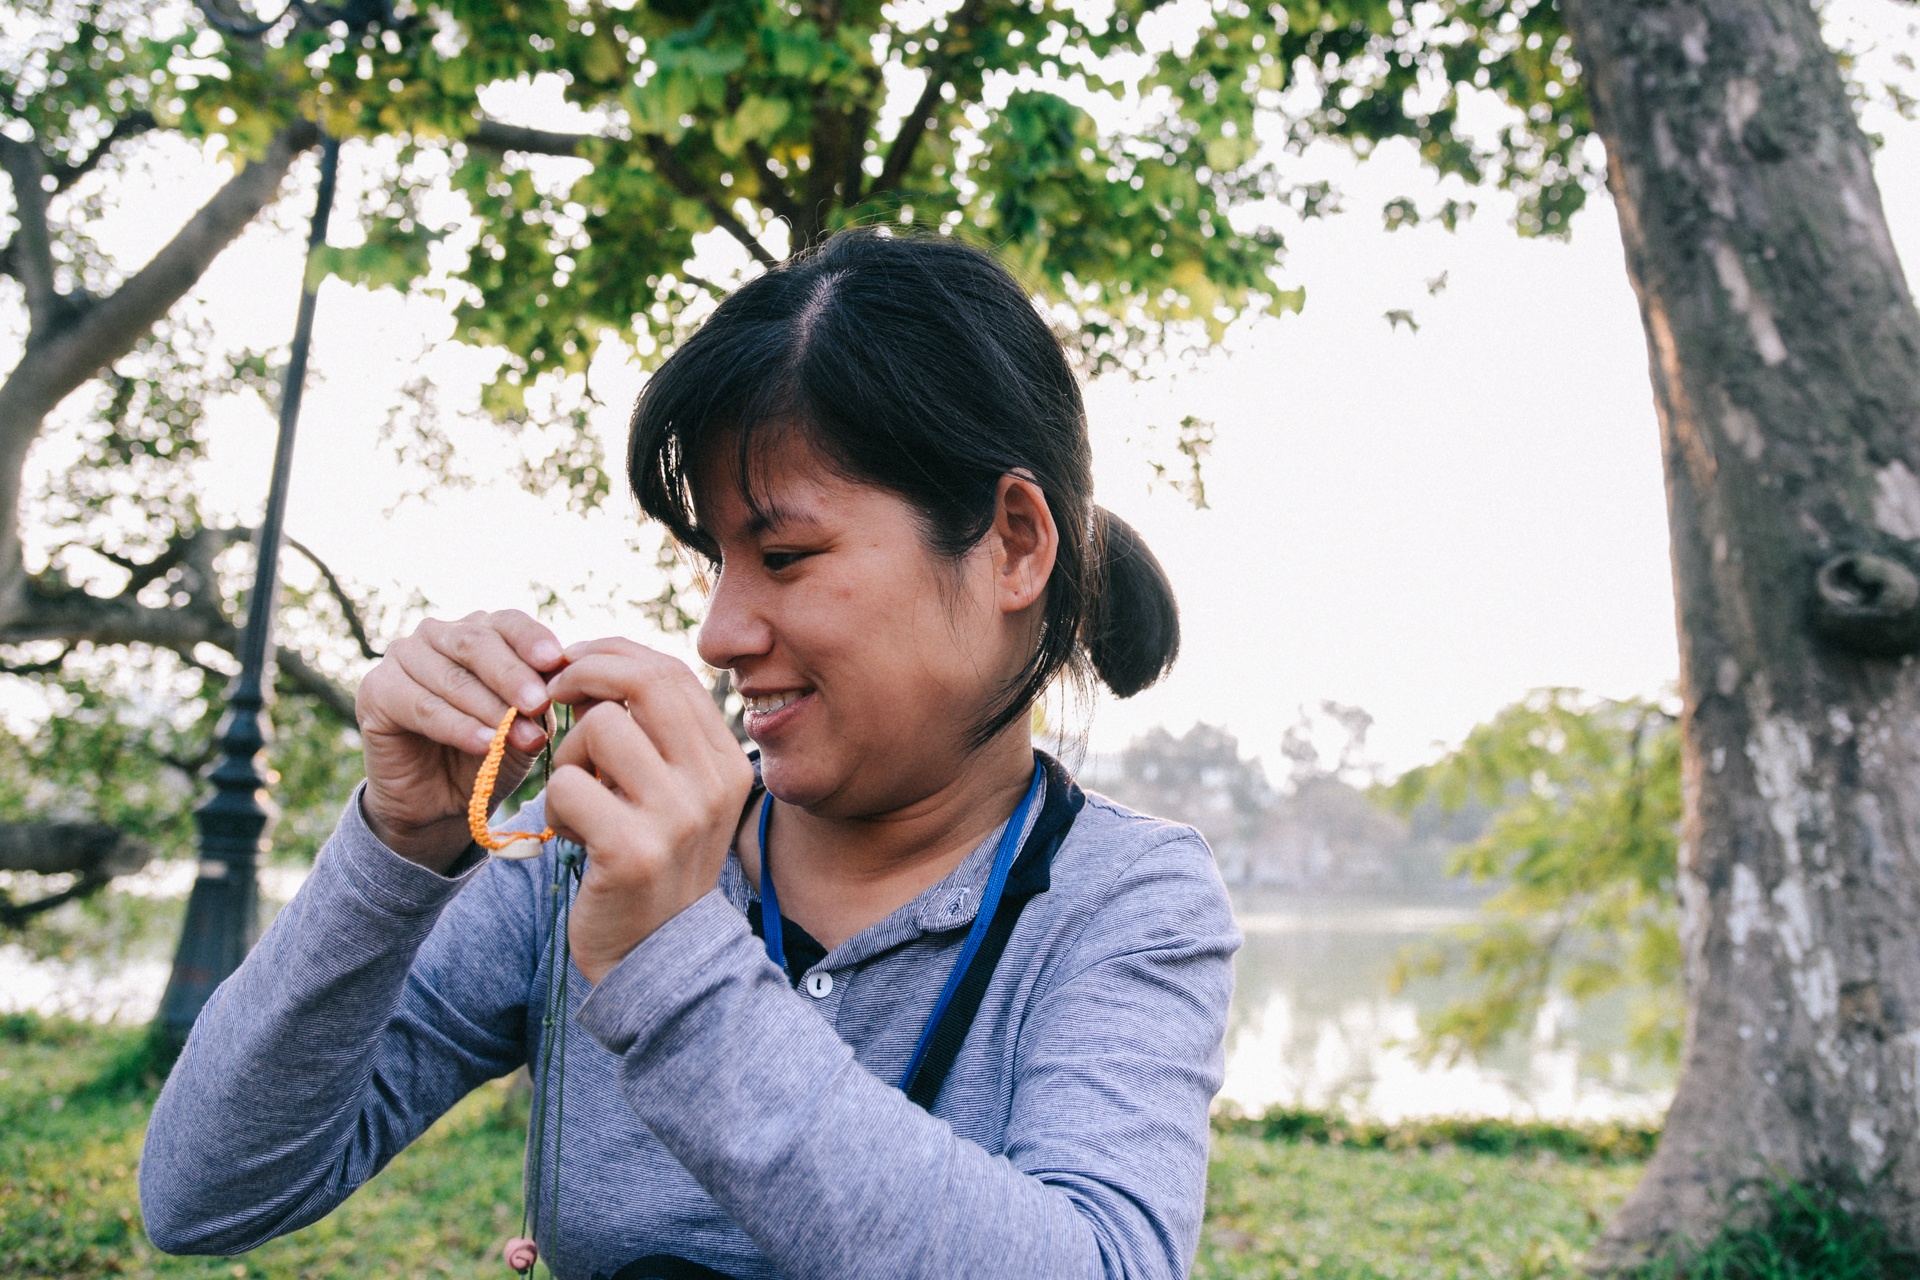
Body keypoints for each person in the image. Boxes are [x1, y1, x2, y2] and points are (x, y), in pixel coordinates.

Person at [140, 229, 1241, 1280]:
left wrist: (671, 957)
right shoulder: (582, 859)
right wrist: (400, 850)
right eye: (719, 558)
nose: (719, 632)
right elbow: (207, 1194)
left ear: (1013, 542)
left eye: (785, 552)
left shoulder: (1125, 897)